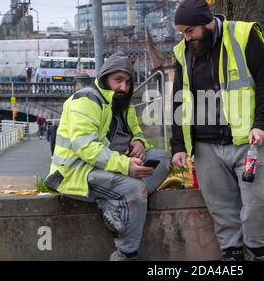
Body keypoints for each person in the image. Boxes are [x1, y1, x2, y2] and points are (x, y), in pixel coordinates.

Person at [170, 0, 264, 261]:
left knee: (258, 204)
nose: (186, 38)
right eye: (183, 33)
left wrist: (262, 125)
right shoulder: (182, 52)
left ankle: (257, 252)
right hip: (206, 145)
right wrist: (178, 146)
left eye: (190, 31)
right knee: (220, 208)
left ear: (205, 23)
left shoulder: (243, 35)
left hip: (251, 141)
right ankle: (232, 255)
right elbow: (179, 99)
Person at [44, 53, 170, 261]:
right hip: (77, 172)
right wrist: (126, 166)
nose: (123, 87)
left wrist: (138, 143)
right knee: (135, 189)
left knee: (163, 159)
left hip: (112, 165)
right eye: (118, 80)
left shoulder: (122, 103)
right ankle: (125, 254)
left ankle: (112, 202)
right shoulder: (85, 99)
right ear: (104, 78)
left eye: (128, 82)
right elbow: (87, 147)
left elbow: (135, 131)